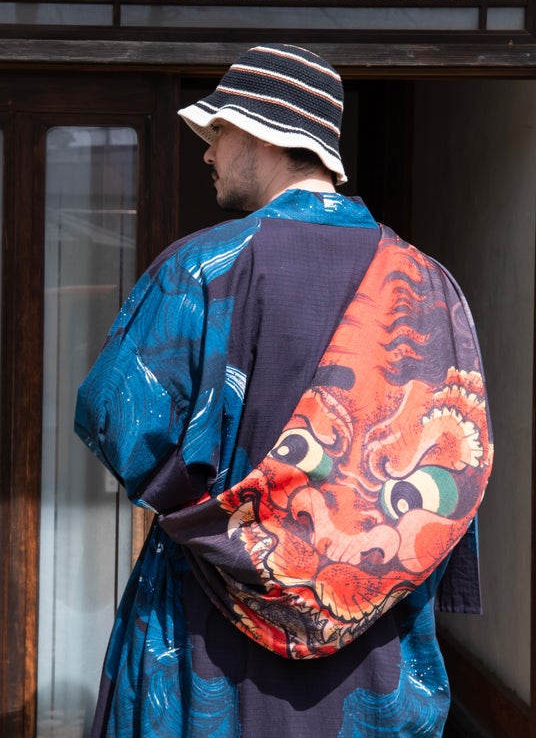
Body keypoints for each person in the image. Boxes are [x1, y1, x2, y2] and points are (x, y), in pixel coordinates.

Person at [75, 44, 493, 737]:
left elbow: (118, 417)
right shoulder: (431, 288)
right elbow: (458, 469)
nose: (208, 152)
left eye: (219, 131)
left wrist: (217, 519)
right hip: (374, 659)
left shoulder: (204, 268)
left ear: (265, 133)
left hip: (206, 639)